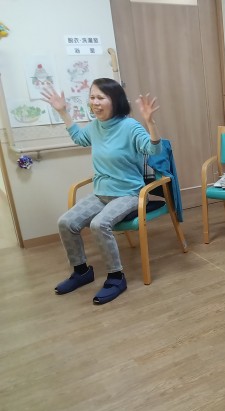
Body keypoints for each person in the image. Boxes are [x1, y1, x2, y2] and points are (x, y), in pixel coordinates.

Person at [41, 78, 161, 305]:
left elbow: (153, 150)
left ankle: (116, 277)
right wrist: (63, 112)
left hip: (128, 193)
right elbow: (79, 138)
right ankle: (81, 271)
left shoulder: (130, 126)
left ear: (114, 100)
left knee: (99, 224)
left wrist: (150, 123)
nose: (95, 102)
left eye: (100, 97)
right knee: (66, 222)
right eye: (92, 97)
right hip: (101, 193)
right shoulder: (95, 126)